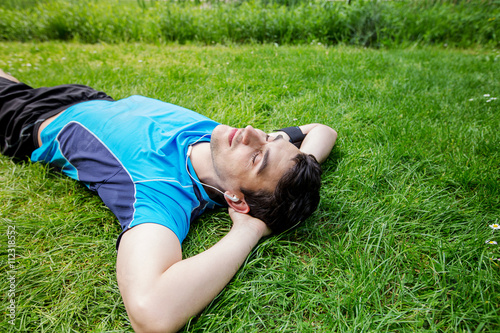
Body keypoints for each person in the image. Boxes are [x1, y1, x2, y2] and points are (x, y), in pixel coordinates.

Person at [0, 69, 337, 332]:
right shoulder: (234, 149)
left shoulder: (160, 196)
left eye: (256, 159)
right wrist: (295, 168)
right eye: (268, 138)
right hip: (92, 98)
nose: (249, 132)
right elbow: (323, 130)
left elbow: (151, 312)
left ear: (235, 199)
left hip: (33, 119)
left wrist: (248, 230)